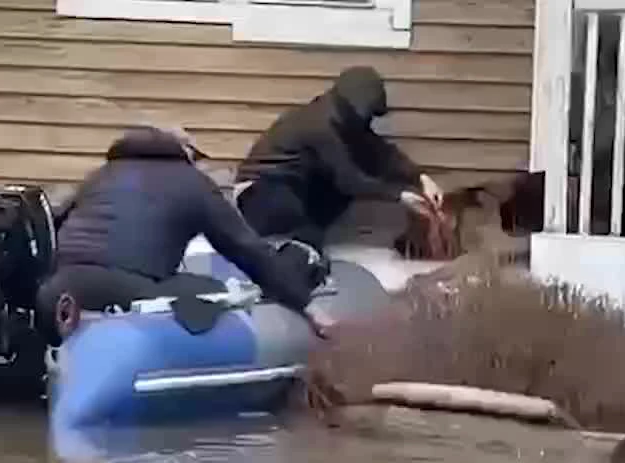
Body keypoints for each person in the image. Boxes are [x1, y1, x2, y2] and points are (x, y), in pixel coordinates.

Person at [38, 125, 331, 341]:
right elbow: (246, 249)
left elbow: (56, 222)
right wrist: (305, 303)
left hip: (59, 285)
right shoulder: (193, 183)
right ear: (186, 152)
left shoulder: (100, 176)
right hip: (125, 288)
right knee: (210, 290)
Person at [234, 65, 441, 254]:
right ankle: (289, 257)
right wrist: (400, 194)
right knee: (304, 234)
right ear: (353, 107)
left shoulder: (343, 121)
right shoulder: (320, 125)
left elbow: (381, 153)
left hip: (288, 187)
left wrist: (420, 177)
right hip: (258, 192)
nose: (368, 119)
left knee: (335, 194)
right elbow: (350, 181)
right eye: (367, 114)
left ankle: (304, 242)